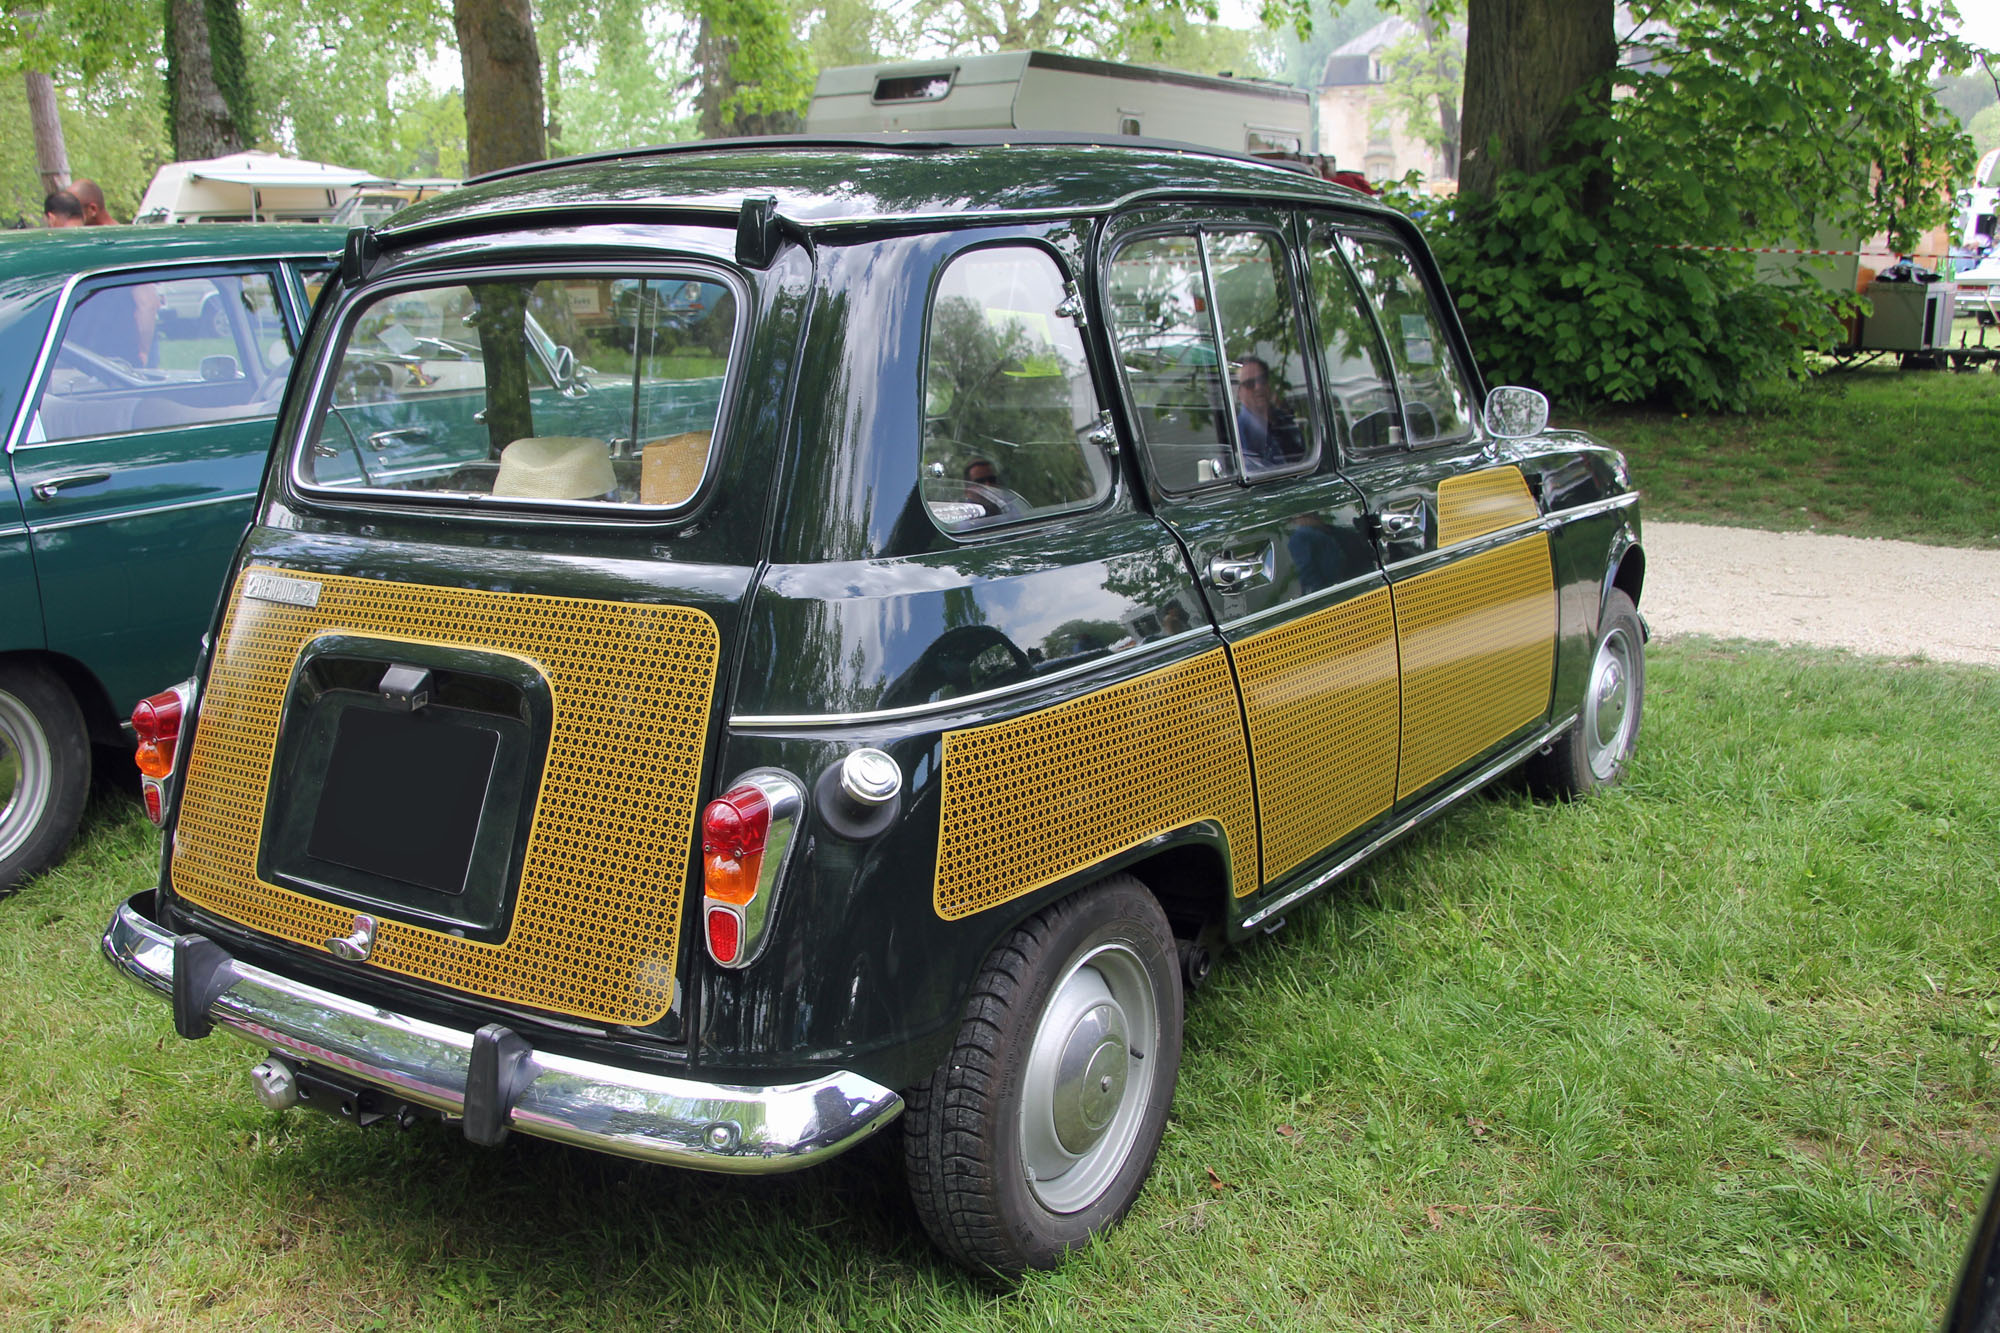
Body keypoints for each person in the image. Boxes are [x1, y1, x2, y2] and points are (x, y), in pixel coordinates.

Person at [1234, 355, 1306, 472]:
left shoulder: (1283, 419)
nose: (1258, 387)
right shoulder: (1238, 432)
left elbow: (1303, 455)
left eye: (1262, 380)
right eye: (1249, 384)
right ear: (1239, 393)